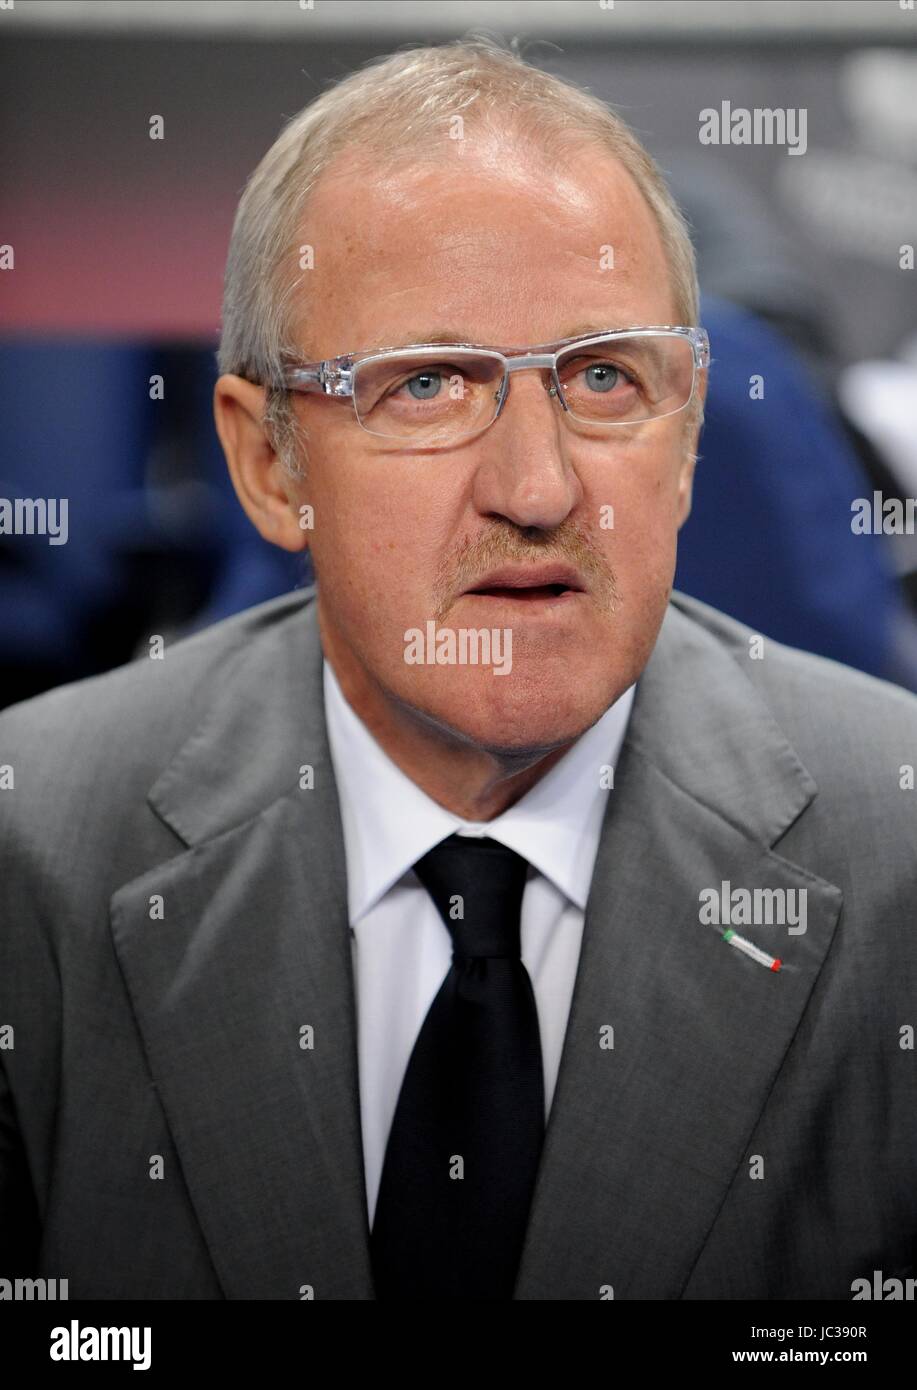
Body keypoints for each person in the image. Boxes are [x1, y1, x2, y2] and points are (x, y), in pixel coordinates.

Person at [1, 37, 915, 1302]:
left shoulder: (900, 863)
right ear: (270, 466)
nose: (537, 489)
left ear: (689, 431)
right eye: (425, 385)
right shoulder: (31, 847)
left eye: (603, 378)